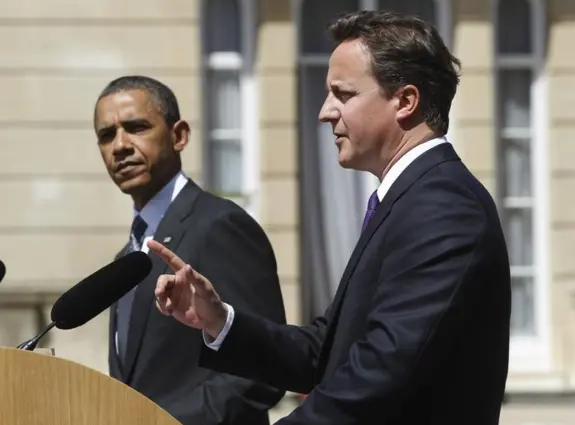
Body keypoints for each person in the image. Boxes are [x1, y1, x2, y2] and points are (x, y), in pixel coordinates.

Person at [149, 10, 511, 424]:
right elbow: (328, 351)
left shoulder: (443, 206)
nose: (325, 111)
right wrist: (220, 321)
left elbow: (381, 373)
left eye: (343, 94)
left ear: (405, 102)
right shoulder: (409, 199)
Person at [94, 75, 287, 425]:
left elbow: (261, 370)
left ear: (179, 135)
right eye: (106, 135)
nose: (120, 145)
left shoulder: (221, 226)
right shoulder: (126, 259)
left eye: (136, 127)